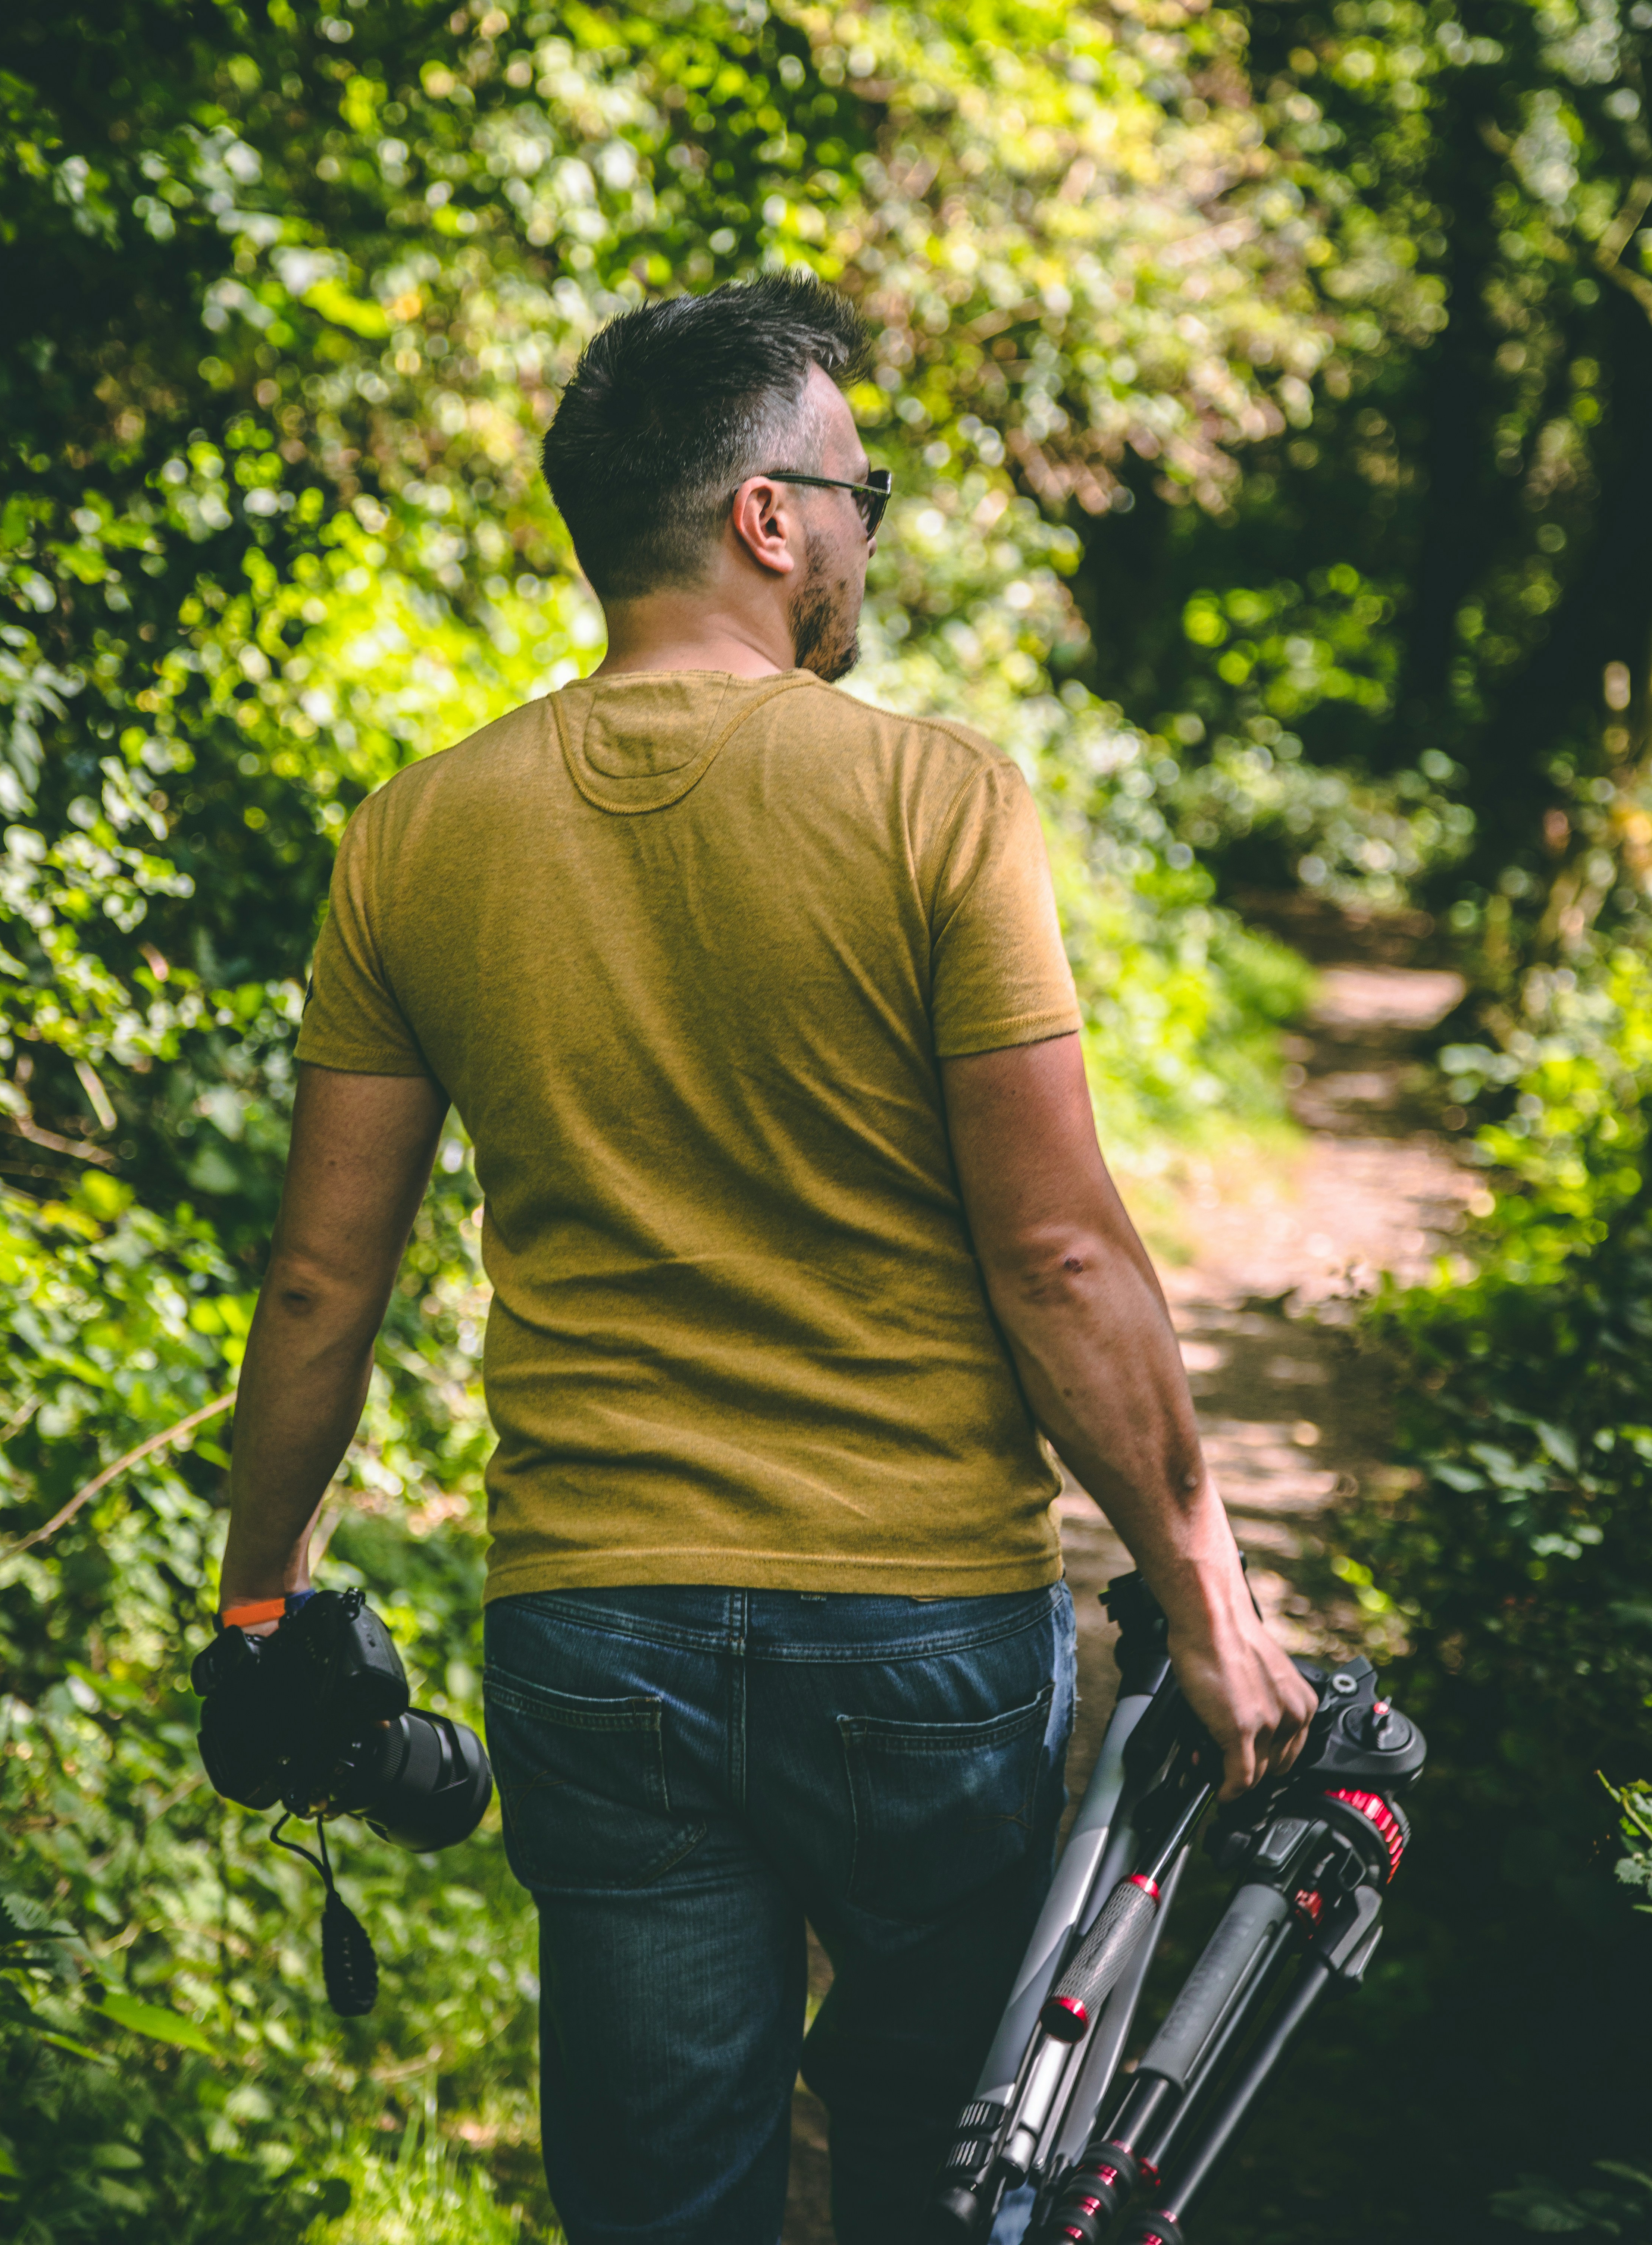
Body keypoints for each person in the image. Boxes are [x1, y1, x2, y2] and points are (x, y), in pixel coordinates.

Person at [216, 273, 1316, 2245]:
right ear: (769, 516)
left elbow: (319, 1287)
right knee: (940, 2175)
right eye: (861, 487)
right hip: (919, 1629)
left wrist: (259, 1606)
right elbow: (1061, 1254)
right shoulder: (932, 800)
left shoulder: (415, 835)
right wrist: (1209, 1597)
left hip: (599, 1619)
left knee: (659, 2202)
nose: (869, 531)